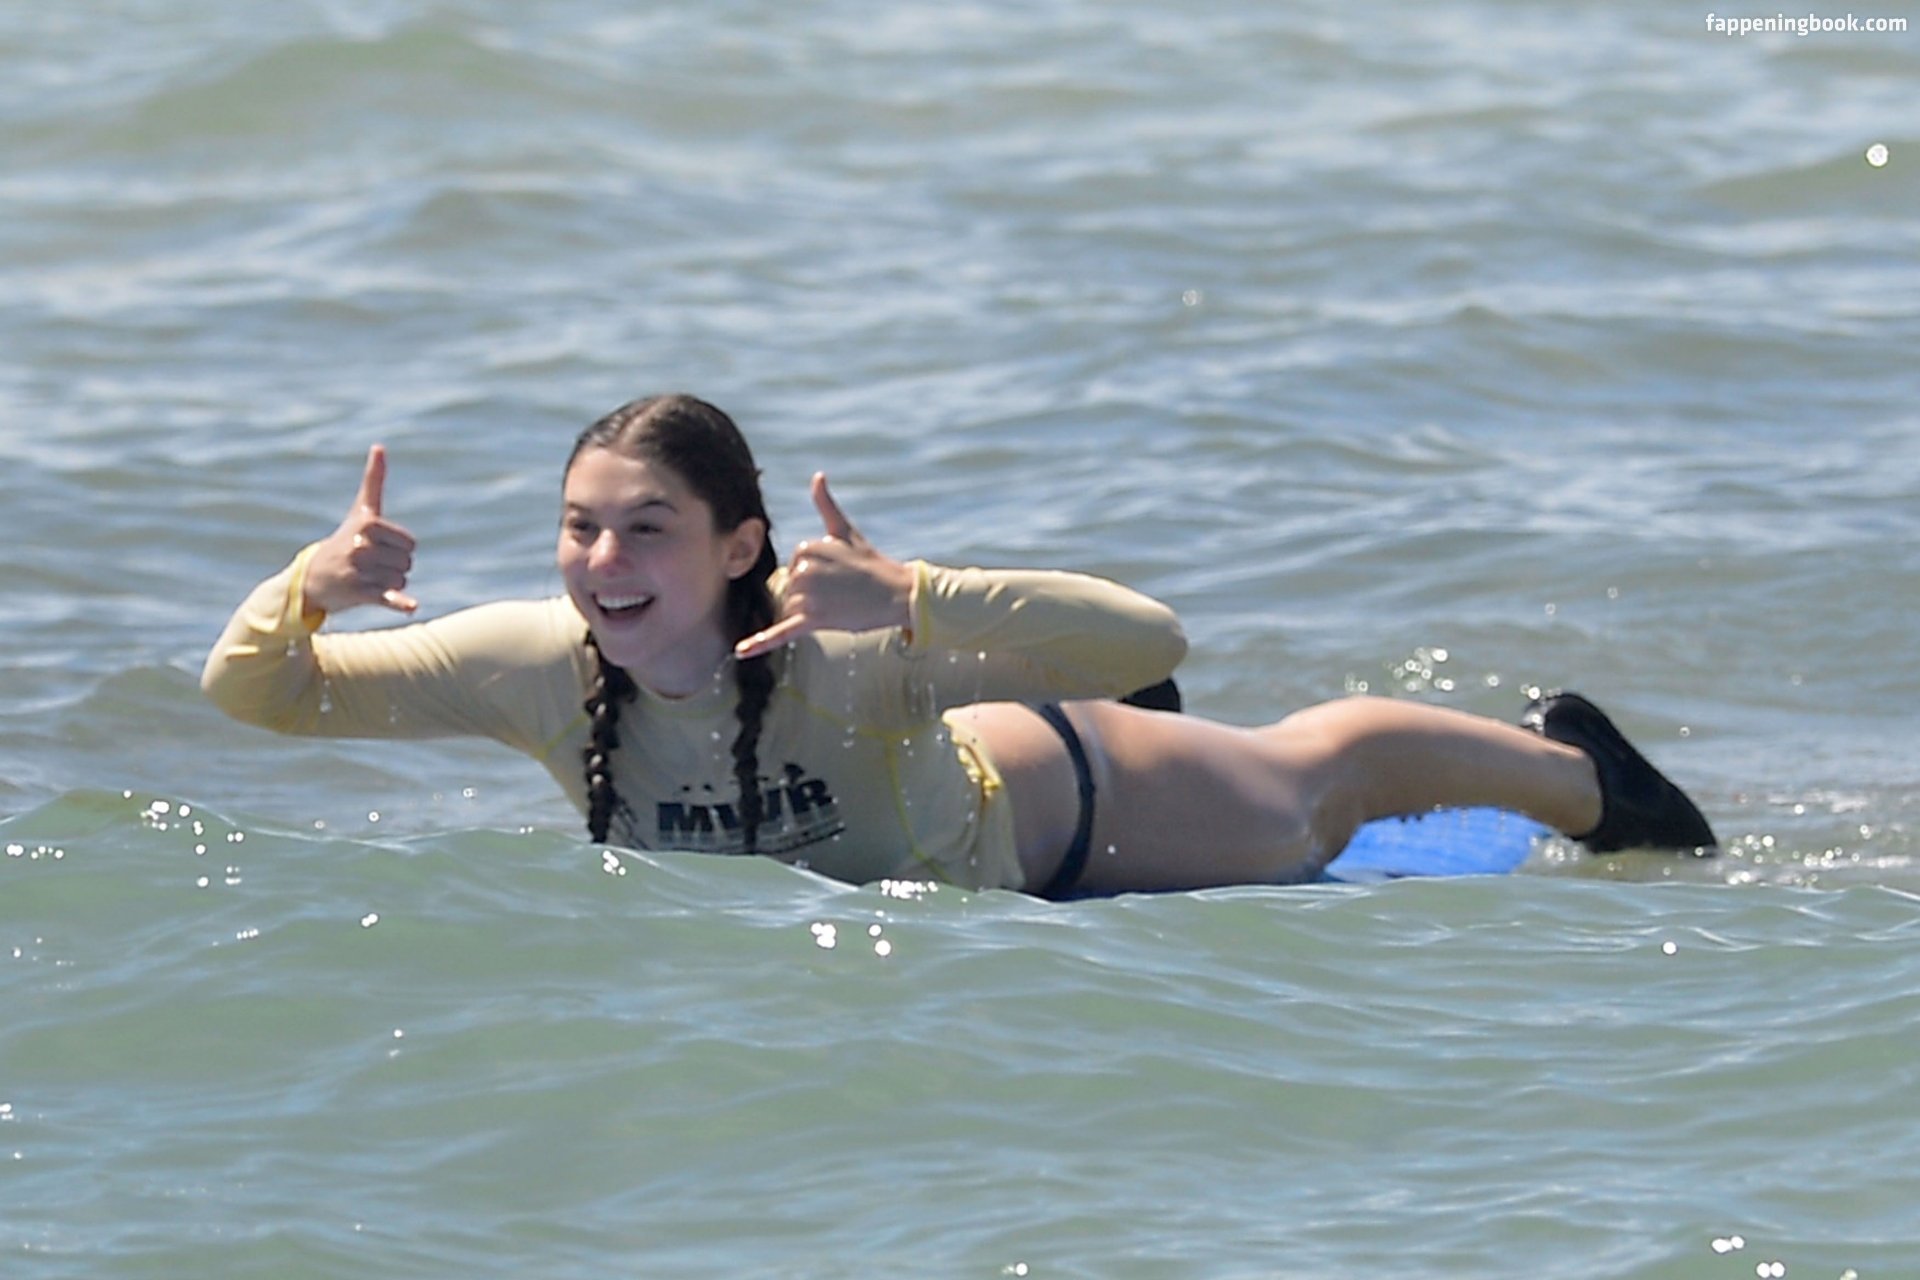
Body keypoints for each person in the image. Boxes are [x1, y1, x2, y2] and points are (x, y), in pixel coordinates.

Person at [202, 394, 1716, 897]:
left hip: (1061, 810)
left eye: (646, 529)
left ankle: (1581, 770)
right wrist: (310, 586)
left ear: (738, 547)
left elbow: (1146, 634)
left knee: (1313, 794)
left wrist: (918, 599)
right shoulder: (527, 663)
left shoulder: (840, 646)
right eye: (580, 528)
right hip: (940, 802)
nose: (604, 563)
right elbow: (261, 696)